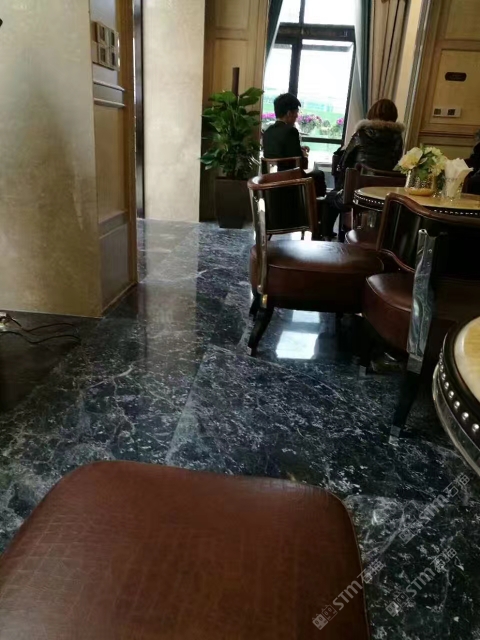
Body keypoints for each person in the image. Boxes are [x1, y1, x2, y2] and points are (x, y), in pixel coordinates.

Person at [323, 98, 405, 239]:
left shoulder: (361, 134)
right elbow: (395, 162)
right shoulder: (397, 138)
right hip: (382, 195)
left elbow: (344, 162)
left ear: (372, 113)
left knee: (330, 199)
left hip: (356, 194)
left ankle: (325, 236)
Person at [262, 93, 326, 197]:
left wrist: (299, 149)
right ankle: (316, 205)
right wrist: (304, 155)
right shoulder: (291, 131)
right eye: (296, 113)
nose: (297, 116)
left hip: (271, 179)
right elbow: (300, 164)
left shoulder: (268, 132)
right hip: (289, 179)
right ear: (289, 113)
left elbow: (280, 151)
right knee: (319, 174)